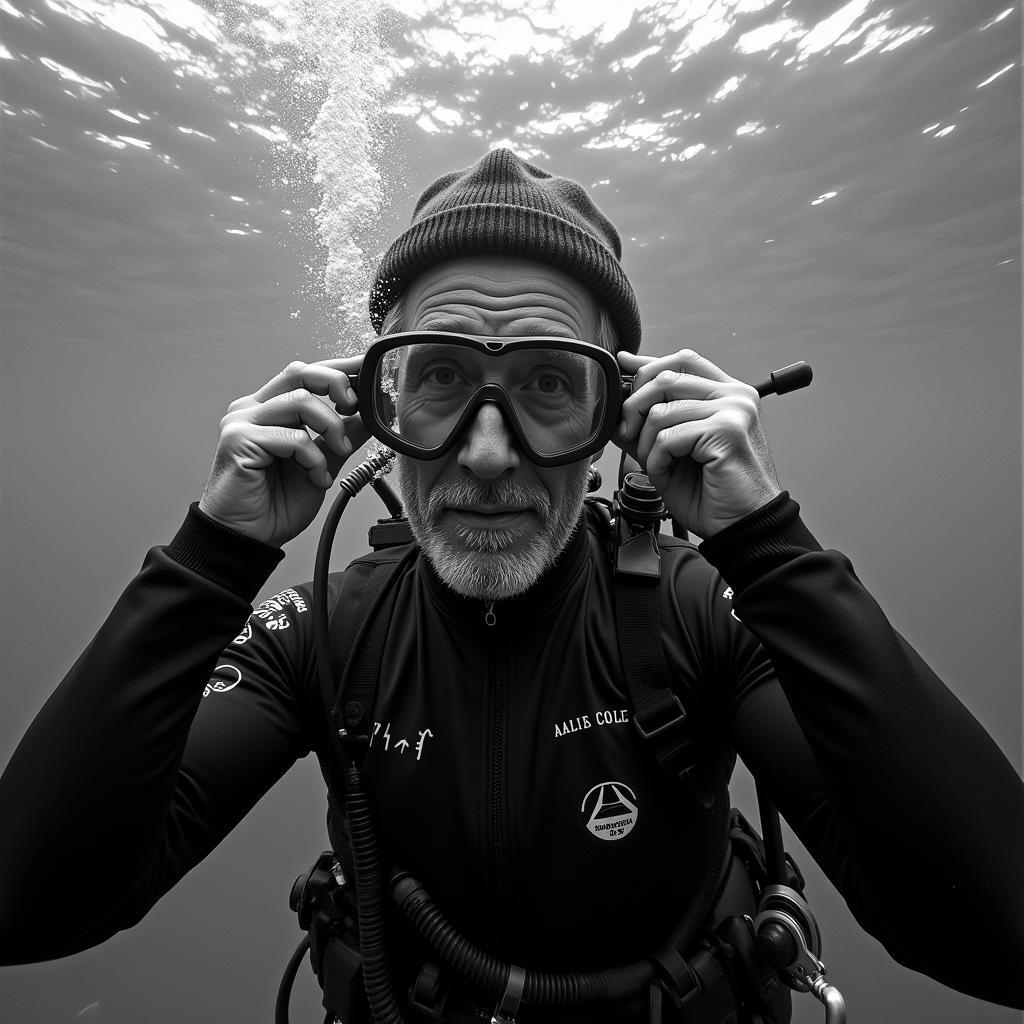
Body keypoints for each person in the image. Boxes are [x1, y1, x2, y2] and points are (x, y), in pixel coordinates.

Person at [0, 149, 1021, 1023]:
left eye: (546, 382)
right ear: (377, 402)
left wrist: (768, 544)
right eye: (440, 375)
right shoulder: (325, 629)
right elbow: (29, 905)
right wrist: (212, 555)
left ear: (617, 413)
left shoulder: (696, 612)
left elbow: (996, 933)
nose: (487, 454)